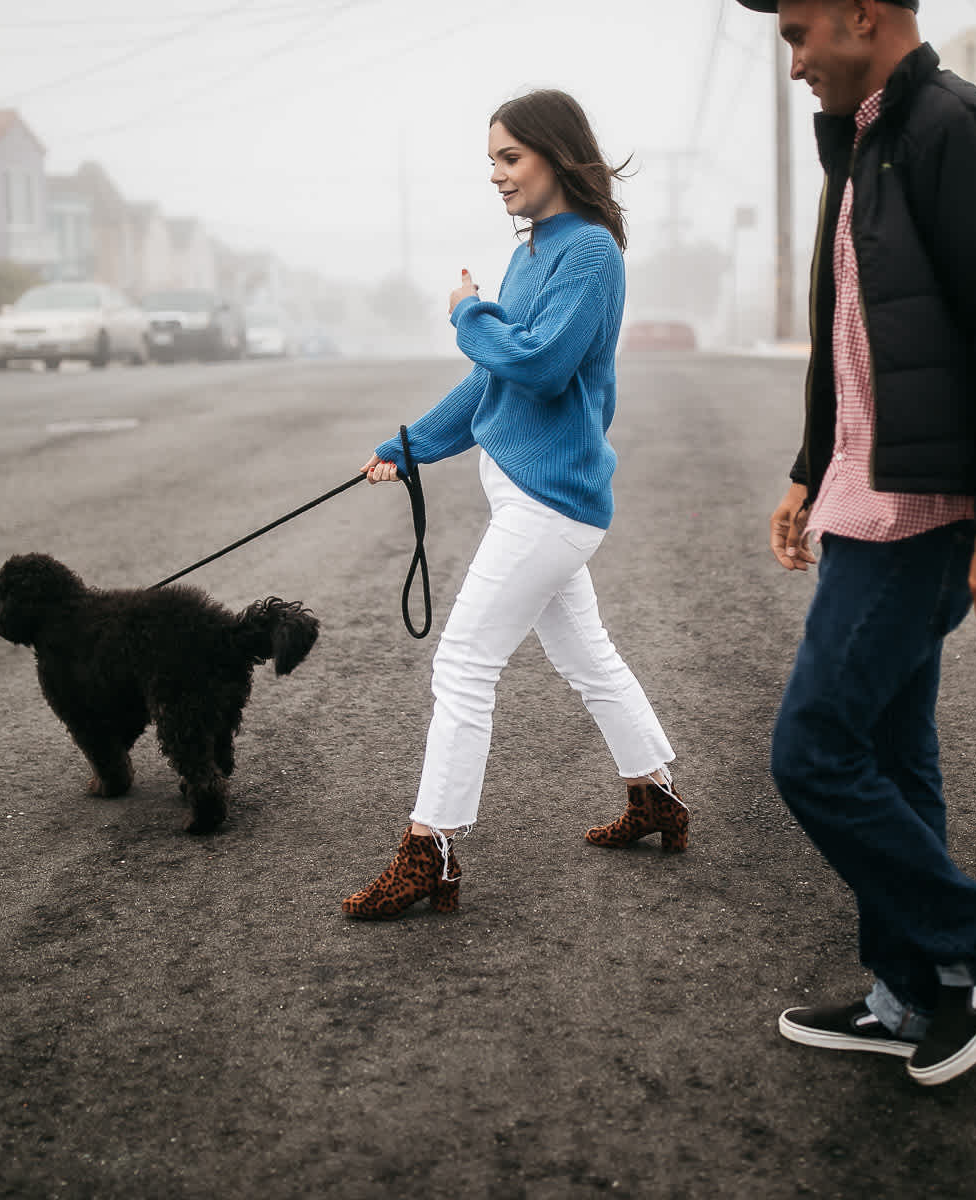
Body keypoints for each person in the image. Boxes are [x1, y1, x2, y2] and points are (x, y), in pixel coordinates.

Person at [736, 0, 976, 1086]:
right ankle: (914, 990)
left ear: (860, 16)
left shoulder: (958, 131)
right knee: (884, 752)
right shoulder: (871, 139)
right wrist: (808, 467)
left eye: (797, 35)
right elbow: (855, 340)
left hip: (924, 513)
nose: (791, 64)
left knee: (814, 751)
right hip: (867, 497)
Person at [342, 89, 685, 920]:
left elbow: (536, 364)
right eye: (491, 162)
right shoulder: (533, 251)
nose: (496, 177)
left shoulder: (591, 255)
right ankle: (656, 800)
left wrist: (468, 314)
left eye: (509, 158)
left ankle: (432, 851)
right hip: (526, 495)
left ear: (556, 156)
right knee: (587, 656)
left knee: (464, 663)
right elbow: (493, 378)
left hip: (552, 504)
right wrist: (407, 444)